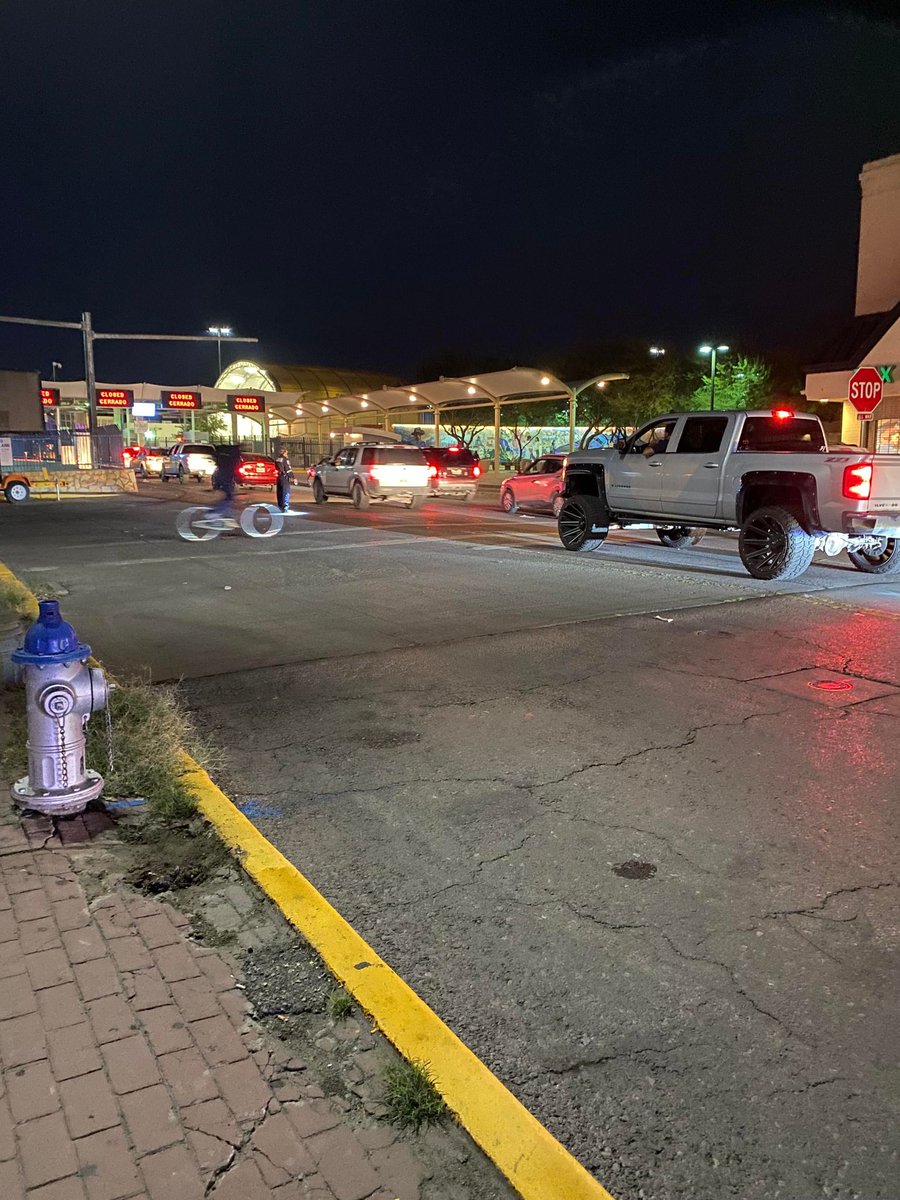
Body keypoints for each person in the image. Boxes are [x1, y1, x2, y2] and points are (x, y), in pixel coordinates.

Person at [211, 444, 241, 515]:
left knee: (228, 496)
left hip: (224, 478)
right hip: (225, 479)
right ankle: (216, 513)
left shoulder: (224, 457)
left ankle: (221, 512)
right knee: (228, 496)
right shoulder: (232, 457)